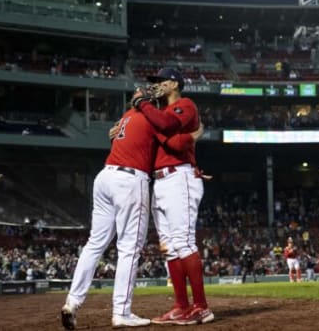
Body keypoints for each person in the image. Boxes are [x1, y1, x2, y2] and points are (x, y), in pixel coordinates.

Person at [61, 88, 197, 330]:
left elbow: (124, 135)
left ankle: (72, 302)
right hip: (130, 180)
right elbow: (173, 139)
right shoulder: (151, 116)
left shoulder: (127, 116)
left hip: (105, 176)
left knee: (95, 244)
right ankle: (121, 312)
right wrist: (195, 135)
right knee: (129, 249)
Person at [132, 67, 214, 325]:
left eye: (160, 80)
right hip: (160, 181)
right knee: (169, 248)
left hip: (180, 177)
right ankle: (181, 306)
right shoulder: (156, 112)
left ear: (175, 83)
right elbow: (165, 138)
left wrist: (144, 107)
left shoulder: (186, 104)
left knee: (184, 242)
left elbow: (169, 130)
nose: (156, 85)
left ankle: (201, 306)